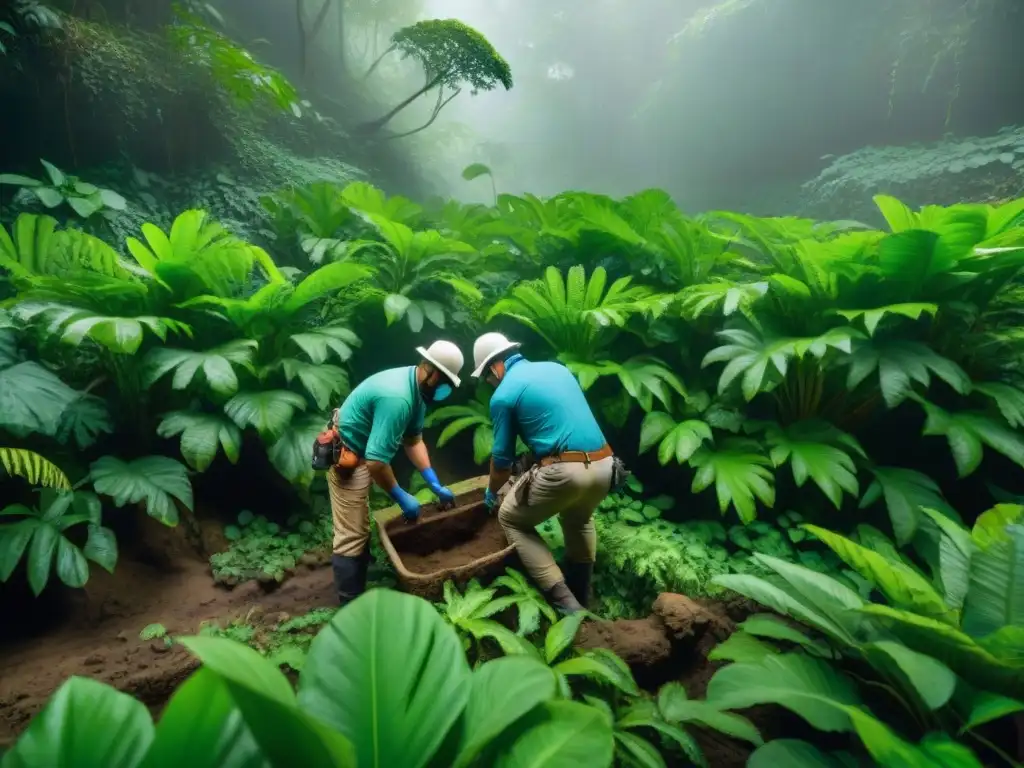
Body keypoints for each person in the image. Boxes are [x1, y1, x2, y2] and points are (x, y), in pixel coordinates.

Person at [471, 331, 614, 614]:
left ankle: (567, 607)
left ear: (495, 367)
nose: (489, 383)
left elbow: (501, 462)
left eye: (487, 377)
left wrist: (490, 493)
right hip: (606, 466)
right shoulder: (557, 369)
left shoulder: (503, 395)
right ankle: (582, 595)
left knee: (511, 519)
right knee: (579, 518)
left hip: (565, 472)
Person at [327, 340, 465, 605]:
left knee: (359, 524)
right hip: (348, 454)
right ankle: (350, 605)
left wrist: (433, 482)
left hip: (366, 448)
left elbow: (413, 441)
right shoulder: (399, 398)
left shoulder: (418, 391)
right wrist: (401, 496)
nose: (444, 386)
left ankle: (362, 570)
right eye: (444, 379)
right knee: (351, 533)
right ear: (428, 369)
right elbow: (376, 462)